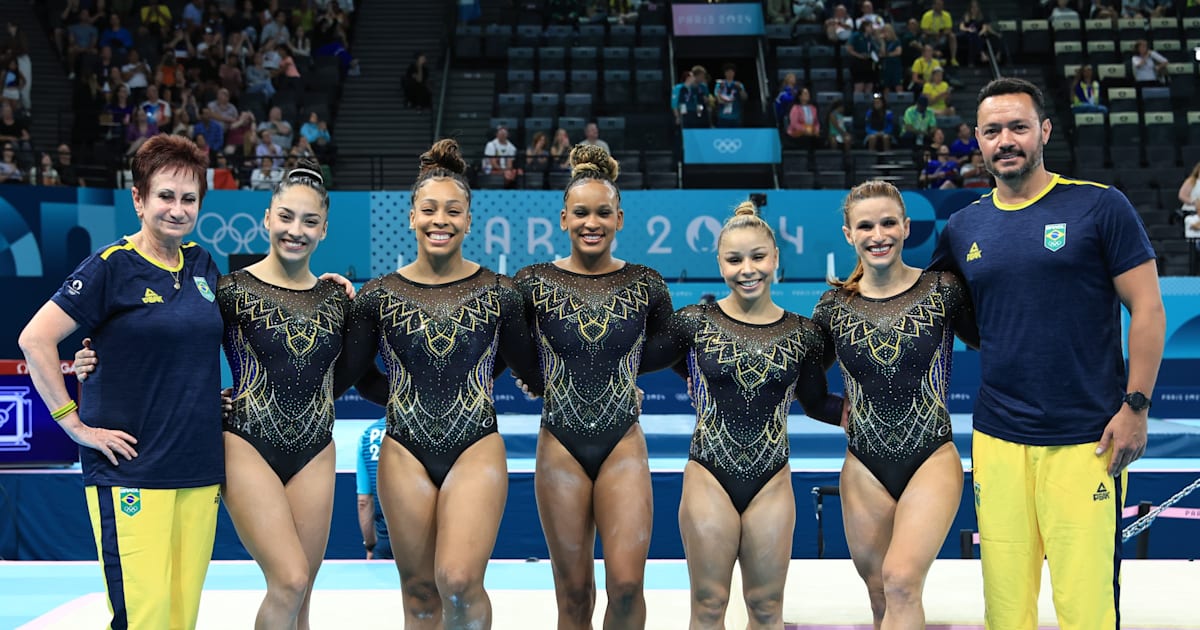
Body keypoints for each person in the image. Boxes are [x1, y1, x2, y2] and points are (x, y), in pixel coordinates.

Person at [72, 158, 365, 629]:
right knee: (289, 580)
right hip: (245, 441)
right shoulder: (224, 288)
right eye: (286, 217)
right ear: (267, 218)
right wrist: (93, 360)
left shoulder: (337, 299)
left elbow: (342, 373)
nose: (296, 230)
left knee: (302, 596)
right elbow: (161, 335)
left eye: (310, 221)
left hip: (316, 448)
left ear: (325, 230)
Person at [929, 77, 1165, 629]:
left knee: (1085, 608)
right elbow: (928, 305)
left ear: (1044, 131)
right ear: (979, 142)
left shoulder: (1099, 206)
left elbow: (1149, 310)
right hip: (997, 439)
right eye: (992, 131)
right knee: (1005, 609)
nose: (1005, 140)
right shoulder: (964, 226)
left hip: (1088, 439)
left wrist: (1136, 406)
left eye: (1018, 127)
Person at [18, 135, 224, 630]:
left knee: (181, 616)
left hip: (198, 469)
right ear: (138, 199)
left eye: (189, 199)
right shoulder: (111, 266)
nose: (177, 209)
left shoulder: (202, 263)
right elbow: (35, 339)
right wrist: (74, 424)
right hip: (131, 469)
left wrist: (320, 285)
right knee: (144, 618)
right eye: (165, 196)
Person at [337, 138, 542, 628]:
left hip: (475, 444)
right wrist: (331, 306)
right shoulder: (379, 295)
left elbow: (531, 368)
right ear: (411, 216)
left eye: (453, 210)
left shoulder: (500, 292)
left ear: (469, 220)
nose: (440, 220)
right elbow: (354, 376)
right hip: (404, 448)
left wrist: (619, 382)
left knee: (458, 579)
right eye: (428, 209)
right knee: (420, 591)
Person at [640, 202, 841, 628]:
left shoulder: (803, 335)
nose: (747, 269)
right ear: (719, 264)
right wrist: (538, 375)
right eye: (734, 259)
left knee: (767, 609)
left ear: (776, 259)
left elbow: (817, 402)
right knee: (710, 604)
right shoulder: (694, 323)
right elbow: (626, 358)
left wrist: (872, 412)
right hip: (709, 474)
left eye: (757, 257)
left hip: (772, 479)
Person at [513, 144, 674, 629]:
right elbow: (501, 346)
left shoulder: (646, 284)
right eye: (580, 212)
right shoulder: (532, 283)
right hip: (559, 442)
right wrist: (531, 377)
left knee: (626, 587)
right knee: (575, 595)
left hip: (622, 440)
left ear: (620, 218)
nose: (592, 222)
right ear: (562, 218)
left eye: (603, 212)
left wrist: (623, 378)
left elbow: (675, 348)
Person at [812, 180, 977, 628]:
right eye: (865, 225)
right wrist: (831, 410)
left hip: (932, 457)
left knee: (902, 579)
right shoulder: (833, 308)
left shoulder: (942, 291)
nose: (877, 234)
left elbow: (997, 341)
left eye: (888, 223)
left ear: (907, 228)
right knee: (881, 593)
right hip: (864, 466)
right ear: (849, 234)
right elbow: (802, 382)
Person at [356, 418, 392, 560]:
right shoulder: (425, 430)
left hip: (384, 542)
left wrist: (370, 544)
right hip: (421, 543)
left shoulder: (368, 435)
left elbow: (364, 501)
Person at [713, 64, 748, 128]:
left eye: (731, 72)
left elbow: (744, 98)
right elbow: (717, 98)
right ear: (725, 73)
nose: (729, 74)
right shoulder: (719, 84)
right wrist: (720, 89)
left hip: (736, 116)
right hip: (722, 116)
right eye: (728, 72)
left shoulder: (739, 84)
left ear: (734, 73)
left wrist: (740, 89)